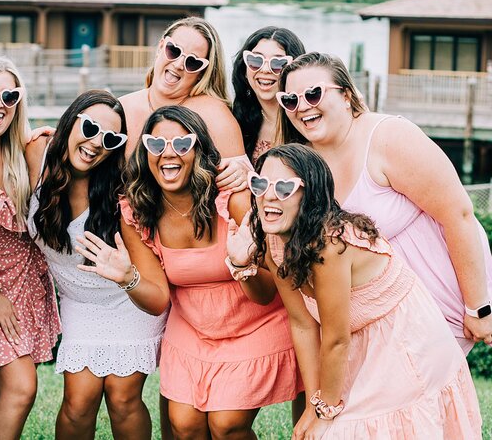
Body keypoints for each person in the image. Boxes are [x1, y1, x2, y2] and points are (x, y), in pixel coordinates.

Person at [77, 106, 301, 439]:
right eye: (156, 145)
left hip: (254, 320)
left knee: (226, 425)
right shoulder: (135, 212)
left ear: (199, 150)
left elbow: (270, 290)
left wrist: (243, 265)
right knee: (185, 426)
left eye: (182, 145)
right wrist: (128, 278)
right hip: (193, 328)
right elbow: (157, 300)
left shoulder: (233, 199)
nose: (169, 154)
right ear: (145, 153)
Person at [234, 143, 482, 439]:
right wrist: (315, 404)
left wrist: (327, 410)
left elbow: (336, 339)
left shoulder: (330, 243)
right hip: (355, 341)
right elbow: (303, 323)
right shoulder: (276, 241)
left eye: (284, 187)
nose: (268, 196)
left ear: (310, 194)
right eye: (259, 184)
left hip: (401, 339)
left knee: (363, 428)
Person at [278, 52, 492, 352]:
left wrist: (478, 309)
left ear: (347, 96)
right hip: (372, 320)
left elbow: (459, 215)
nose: (302, 107)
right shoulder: (306, 162)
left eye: (313, 94)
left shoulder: (387, 137)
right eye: (290, 100)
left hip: (434, 304)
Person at [26, 91, 166, 440]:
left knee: (122, 399)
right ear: (69, 121)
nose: (95, 143)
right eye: (89, 127)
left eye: (110, 138)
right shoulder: (35, 156)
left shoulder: (122, 198)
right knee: (78, 402)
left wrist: (126, 277)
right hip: (79, 303)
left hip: (127, 301)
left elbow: (158, 296)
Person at [0, 57, 60, 439]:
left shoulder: (24, 150)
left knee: (5, 391)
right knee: (17, 388)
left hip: (24, 284)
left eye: (9, 95)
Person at [118, 16, 248, 191]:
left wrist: (242, 173)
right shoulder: (121, 109)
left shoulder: (215, 116)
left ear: (202, 72)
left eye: (192, 62)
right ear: (161, 47)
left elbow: (239, 193)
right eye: (174, 51)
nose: (179, 64)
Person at [231, 26, 306, 164]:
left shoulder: (309, 120)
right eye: (256, 61)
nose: (265, 70)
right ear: (244, 69)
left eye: (278, 63)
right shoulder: (235, 120)